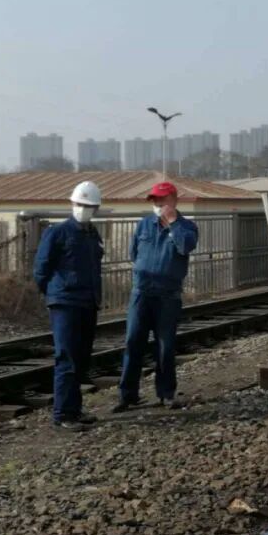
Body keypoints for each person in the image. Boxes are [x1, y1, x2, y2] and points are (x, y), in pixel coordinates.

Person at [112, 182, 199, 413]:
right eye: (154, 199)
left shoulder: (187, 227)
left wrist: (173, 223)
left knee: (165, 346)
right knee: (133, 342)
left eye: (161, 199)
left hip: (167, 296)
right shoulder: (143, 225)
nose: (157, 203)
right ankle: (127, 395)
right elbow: (134, 253)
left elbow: (185, 247)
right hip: (141, 292)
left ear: (174, 199)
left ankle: (166, 393)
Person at [33, 181, 104, 432]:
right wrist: (55, 294)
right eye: (80, 204)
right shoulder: (57, 233)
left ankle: (74, 410)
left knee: (81, 358)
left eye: (88, 206)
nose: (83, 209)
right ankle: (62, 413)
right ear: (72, 204)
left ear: (95, 209)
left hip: (87, 303)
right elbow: (41, 269)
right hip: (65, 303)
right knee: (67, 358)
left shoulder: (92, 235)